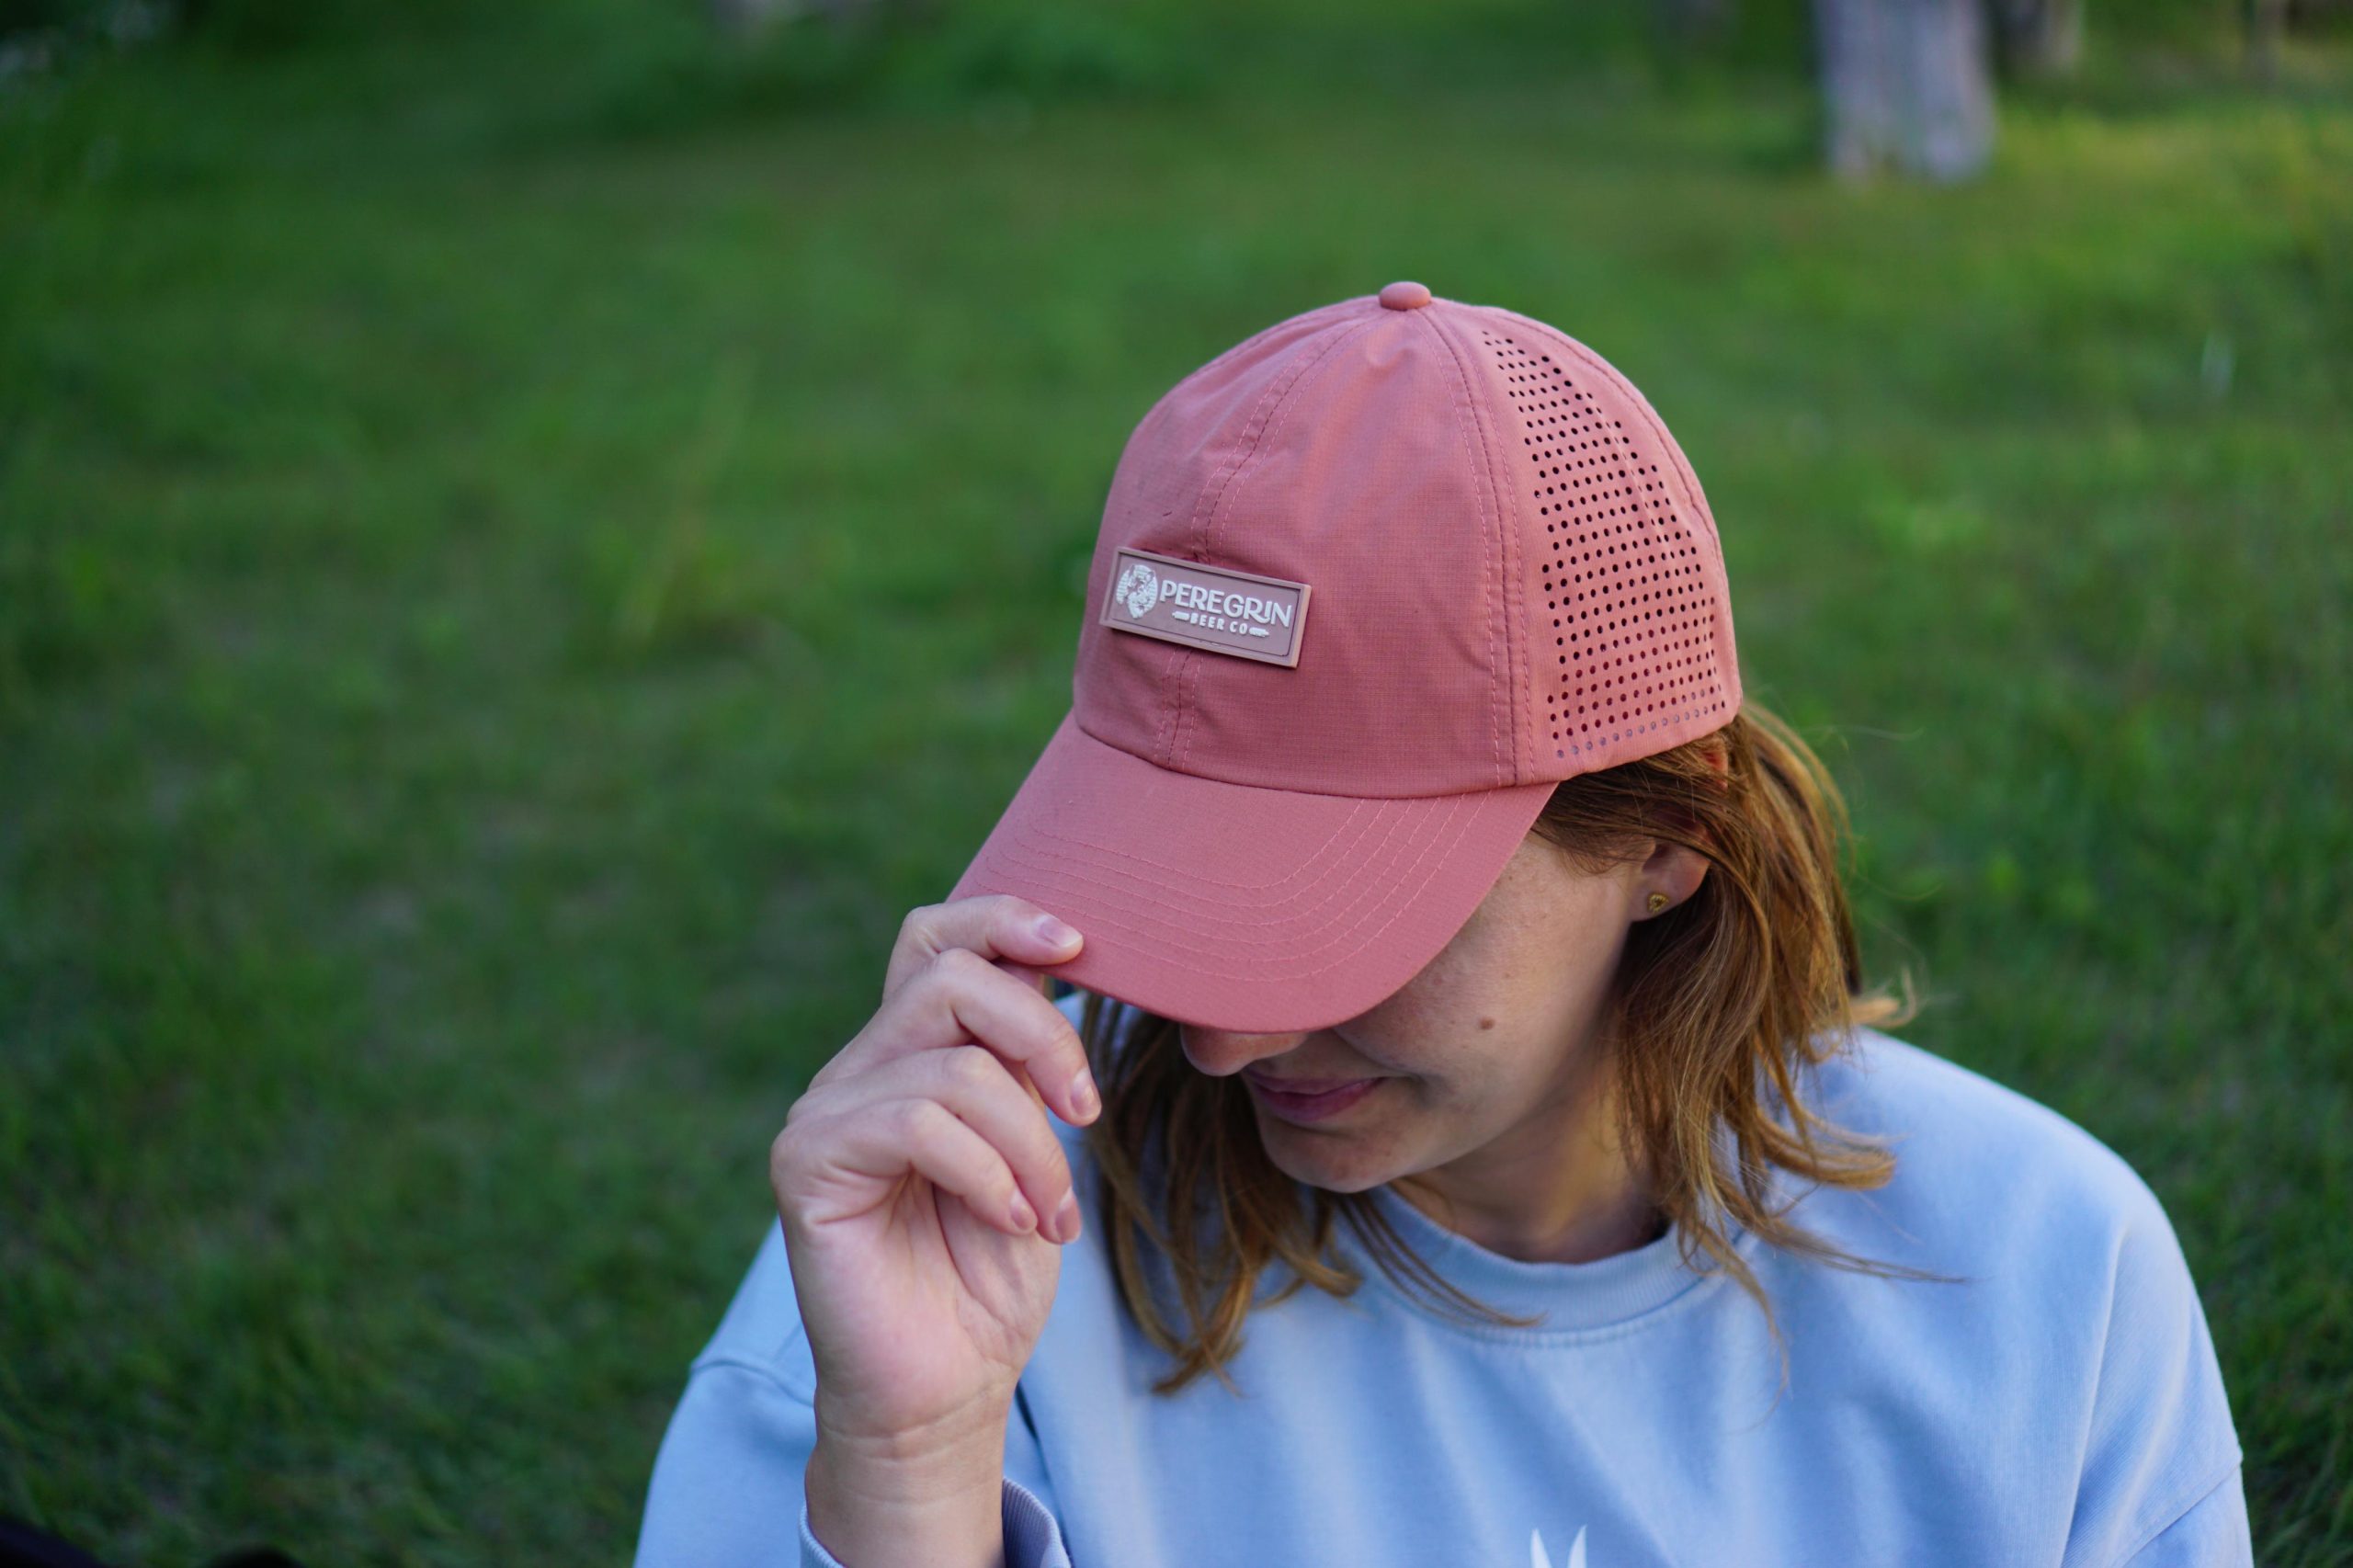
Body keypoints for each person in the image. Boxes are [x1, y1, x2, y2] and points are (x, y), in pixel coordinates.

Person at [631, 285, 2251, 1567]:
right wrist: (908, 1473)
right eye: (1164, 886)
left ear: (1667, 839)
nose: (1222, 1035)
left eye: (1342, 920)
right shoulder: (940, 1244)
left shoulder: (2042, 1288)